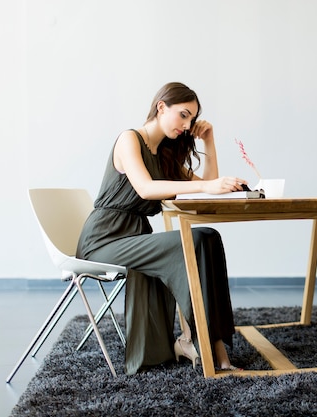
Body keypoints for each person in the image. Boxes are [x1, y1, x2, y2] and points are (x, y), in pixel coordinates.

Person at [76, 81, 246, 374]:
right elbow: (145, 188)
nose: (187, 124)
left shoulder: (163, 153)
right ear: (161, 107)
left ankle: (207, 343)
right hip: (103, 240)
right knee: (193, 240)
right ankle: (201, 343)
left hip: (135, 236)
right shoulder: (130, 139)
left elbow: (206, 187)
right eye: (183, 115)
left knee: (207, 237)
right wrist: (209, 185)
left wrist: (209, 140)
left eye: (191, 118)